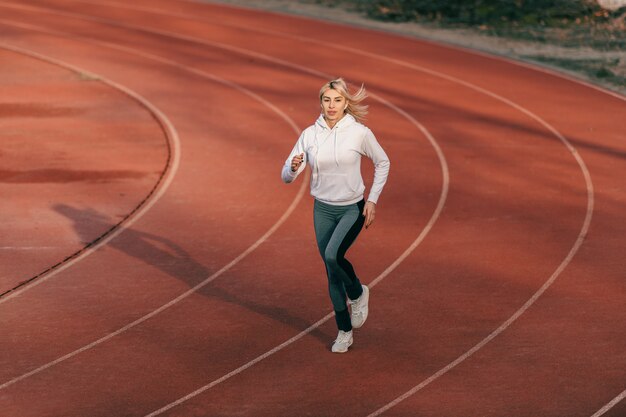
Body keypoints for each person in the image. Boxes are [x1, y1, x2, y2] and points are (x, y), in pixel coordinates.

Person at [281, 78, 390, 353]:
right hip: (323, 209)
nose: (331, 106)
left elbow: (383, 162)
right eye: (327, 100)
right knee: (331, 271)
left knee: (332, 256)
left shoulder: (359, 133)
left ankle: (357, 292)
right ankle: (344, 331)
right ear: (320, 102)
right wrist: (293, 168)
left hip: (351, 208)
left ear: (346, 104)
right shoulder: (309, 134)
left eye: (337, 100)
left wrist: (373, 200)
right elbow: (286, 176)